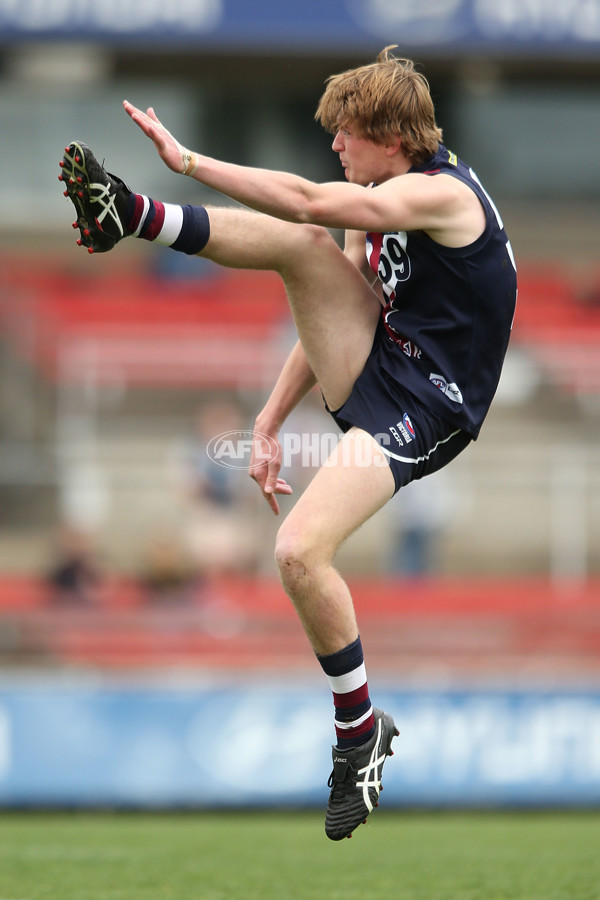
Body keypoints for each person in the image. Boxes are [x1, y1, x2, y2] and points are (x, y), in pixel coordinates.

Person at [58, 46, 517, 840]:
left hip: (433, 407)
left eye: (346, 133)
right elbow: (331, 303)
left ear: (391, 137)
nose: (335, 145)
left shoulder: (445, 197)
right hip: (380, 367)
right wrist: (268, 421)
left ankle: (358, 732)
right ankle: (130, 216)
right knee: (306, 248)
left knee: (299, 551)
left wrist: (189, 159)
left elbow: (307, 198)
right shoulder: (375, 200)